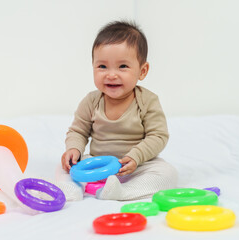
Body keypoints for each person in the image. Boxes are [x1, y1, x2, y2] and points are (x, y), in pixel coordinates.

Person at [58, 20, 178, 201]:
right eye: (102, 66)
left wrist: (137, 156)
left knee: (168, 173)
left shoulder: (147, 101)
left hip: (135, 166)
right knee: (64, 167)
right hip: (97, 165)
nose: (111, 74)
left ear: (142, 71)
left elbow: (158, 136)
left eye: (122, 66)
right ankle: (71, 190)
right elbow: (78, 131)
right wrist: (74, 148)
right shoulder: (91, 101)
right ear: (93, 67)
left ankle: (123, 191)